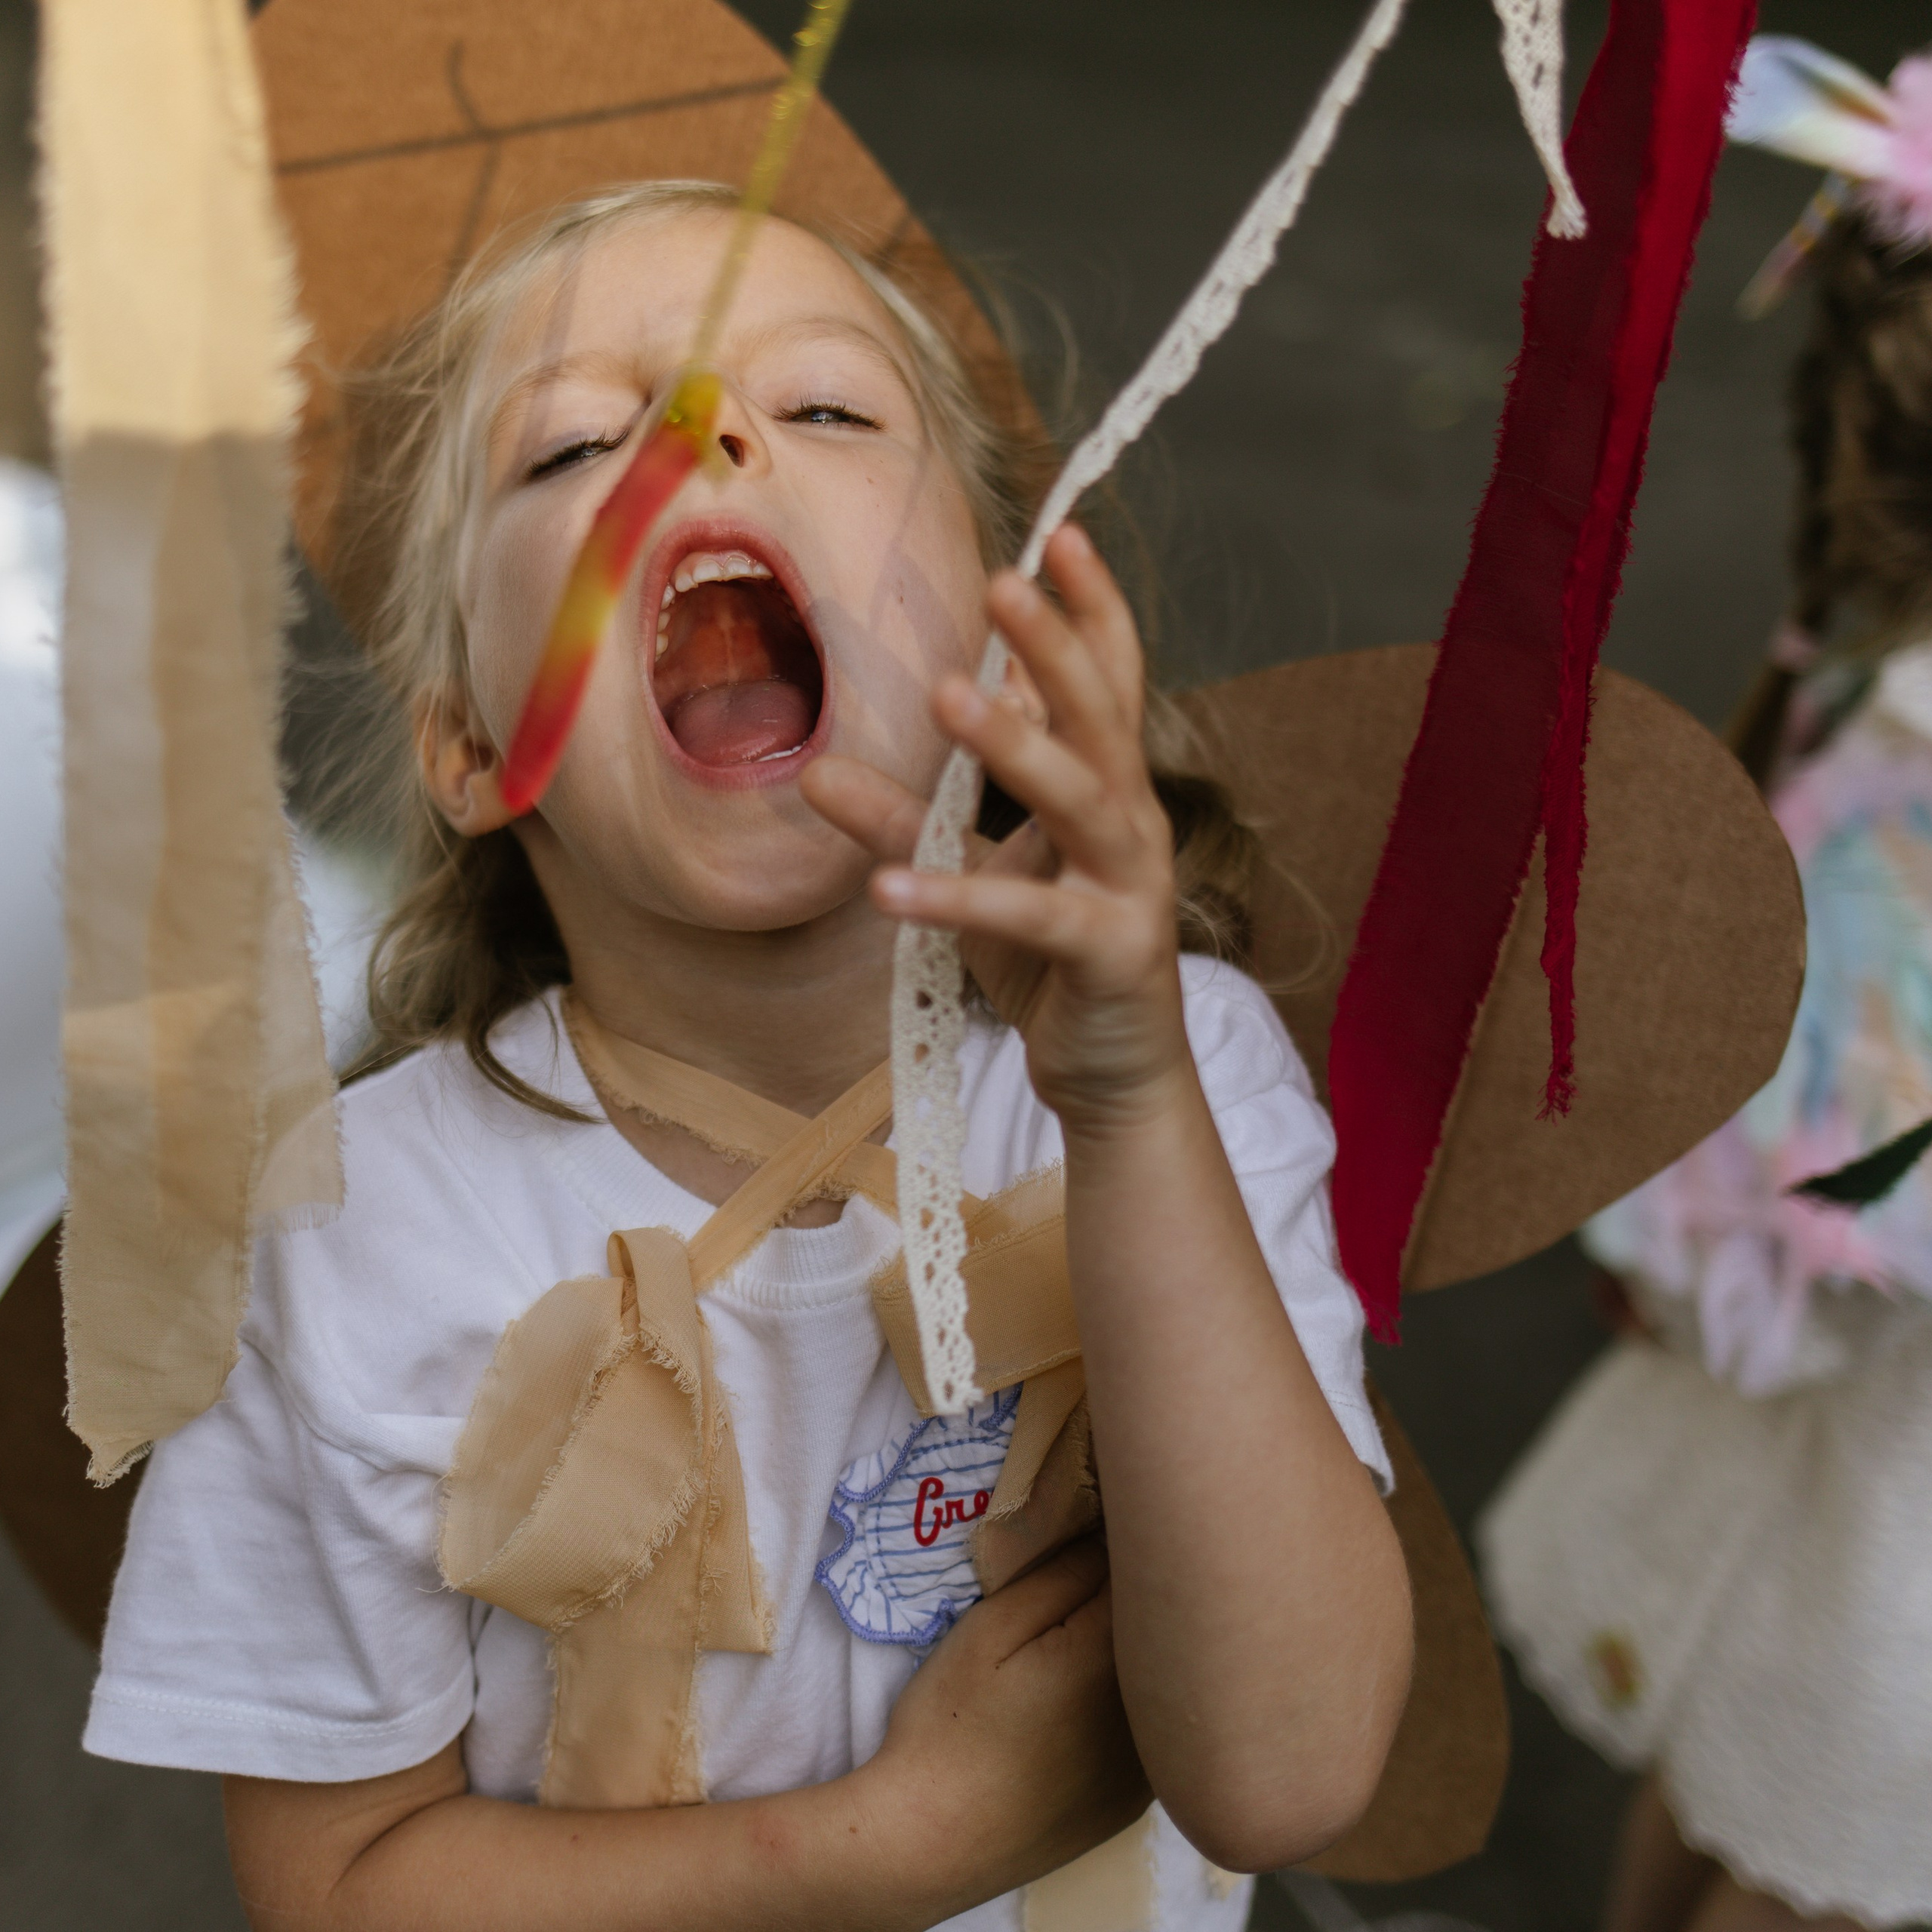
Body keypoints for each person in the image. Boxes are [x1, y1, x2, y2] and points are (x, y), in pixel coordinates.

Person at [79, 175, 1411, 1930]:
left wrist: (1131, 1107)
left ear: (999, 640)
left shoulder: (1184, 1071)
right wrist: (908, 1836)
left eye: (827, 409)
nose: (701, 444)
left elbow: (1285, 1768)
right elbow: (340, 1889)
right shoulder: (340, 1240)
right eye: (569, 450)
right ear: (474, 743)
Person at [1481, 38, 1932, 1932]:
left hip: (1847, 1422)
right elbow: (1819, 1213)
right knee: (1826, 1847)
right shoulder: (1910, 774)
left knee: (1738, 1766)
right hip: (1887, 1450)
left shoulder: (1880, 687)